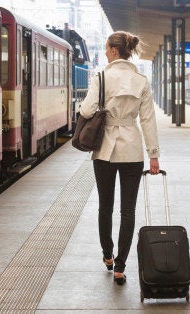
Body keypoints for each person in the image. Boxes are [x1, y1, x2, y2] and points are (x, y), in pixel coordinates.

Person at [79, 31, 160, 285]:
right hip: (133, 151)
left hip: (104, 150)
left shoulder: (101, 77)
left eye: (106, 48)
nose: (104, 52)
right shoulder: (141, 80)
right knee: (128, 210)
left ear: (114, 51)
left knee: (105, 206)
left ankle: (107, 255)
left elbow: (86, 110)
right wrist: (154, 156)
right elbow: (148, 120)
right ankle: (121, 267)